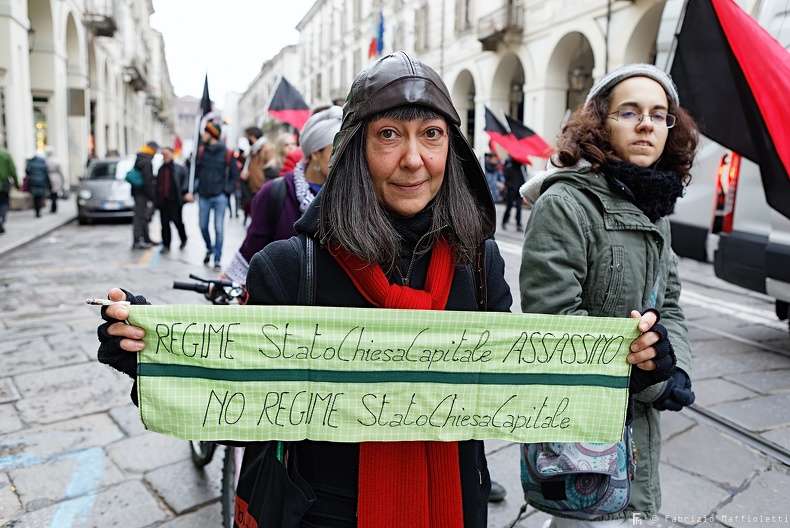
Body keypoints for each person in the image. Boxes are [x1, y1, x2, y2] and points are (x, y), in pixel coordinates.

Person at [95, 51, 665, 528]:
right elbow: (234, 398)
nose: (413, 159)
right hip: (320, 515)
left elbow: (519, 384)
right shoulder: (288, 269)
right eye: (389, 135)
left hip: (455, 507)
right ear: (354, 152)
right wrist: (153, 354)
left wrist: (627, 366)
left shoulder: (482, 264)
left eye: (431, 135)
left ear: (452, 151)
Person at [518, 63, 698, 526]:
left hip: (639, 431)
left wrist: (673, 367)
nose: (646, 124)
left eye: (660, 115)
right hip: (584, 439)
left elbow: (670, 303)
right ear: (599, 122)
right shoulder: (566, 204)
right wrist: (645, 370)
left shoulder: (657, 209)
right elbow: (554, 326)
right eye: (630, 112)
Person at [224, 105, 342, 284]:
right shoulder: (275, 192)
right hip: (283, 306)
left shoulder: (356, 195)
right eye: (337, 151)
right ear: (316, 153)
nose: (344, 160)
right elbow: (253, 249)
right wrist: (231, 282)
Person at [185, 120, 240, 270]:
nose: (202, 135)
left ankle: (217, 258)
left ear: (212, 134)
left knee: (219, 228)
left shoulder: (228, 153)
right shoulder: (201, 152)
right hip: (203, 195)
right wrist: (189, 190)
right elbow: (193, 173)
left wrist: (226, 191)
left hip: (219, 196)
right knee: (202, 226)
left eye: (205, 132)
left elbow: (235, 175)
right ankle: (210, 247)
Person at [155, 146, 189, 252]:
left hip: (175, 201)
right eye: (163, 155)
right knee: (164, 224)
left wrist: (184, 193)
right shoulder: (161, 169)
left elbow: (185, 181)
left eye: (167, 154)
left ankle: (183, 239)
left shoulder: (179, 168)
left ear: (172, 154)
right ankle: (166, 244)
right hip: (163, 201)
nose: (165, 157)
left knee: (178, 222)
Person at [132, 141, 158, 249]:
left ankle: (146, 238)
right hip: (142, 193)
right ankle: (138, 240)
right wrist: (151, 196)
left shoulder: (140, 156)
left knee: (143, 216)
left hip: (138, 192)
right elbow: (147, 180)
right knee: (140, 217)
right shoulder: (147, 161)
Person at [0, 132, 19, 234]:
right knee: (3, 203)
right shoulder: (5, 153)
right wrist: (17, 184)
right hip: (3, 184)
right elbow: (13, 170)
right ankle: (1, 218)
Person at [500, 156, 525, 231]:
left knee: (519, 207)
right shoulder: (509, 167)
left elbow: (523, 179)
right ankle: (504, 221)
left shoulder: (521, 168)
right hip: (511, 191)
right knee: (509, 207)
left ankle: (518, 223)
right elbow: (505, 179)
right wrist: (511, 186)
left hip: (519, 191)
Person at [24, 152, 50, 218]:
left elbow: (27, 171)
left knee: (35, 197)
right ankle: (39, 211)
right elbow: (46, 173)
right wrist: (47, 183)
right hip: (41, 181)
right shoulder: (43, 163)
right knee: (40, 196)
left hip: (33, 181)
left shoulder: (31, 162)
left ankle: (36, 210)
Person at [44, 146, 65, 213]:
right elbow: (60, 171)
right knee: (54, 193)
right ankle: (54, 206)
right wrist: (63, 179)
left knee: (52, 193)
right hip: (55, 177)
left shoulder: (46, 160)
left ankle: (53, 207)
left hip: (50, 177)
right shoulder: (56, 160)